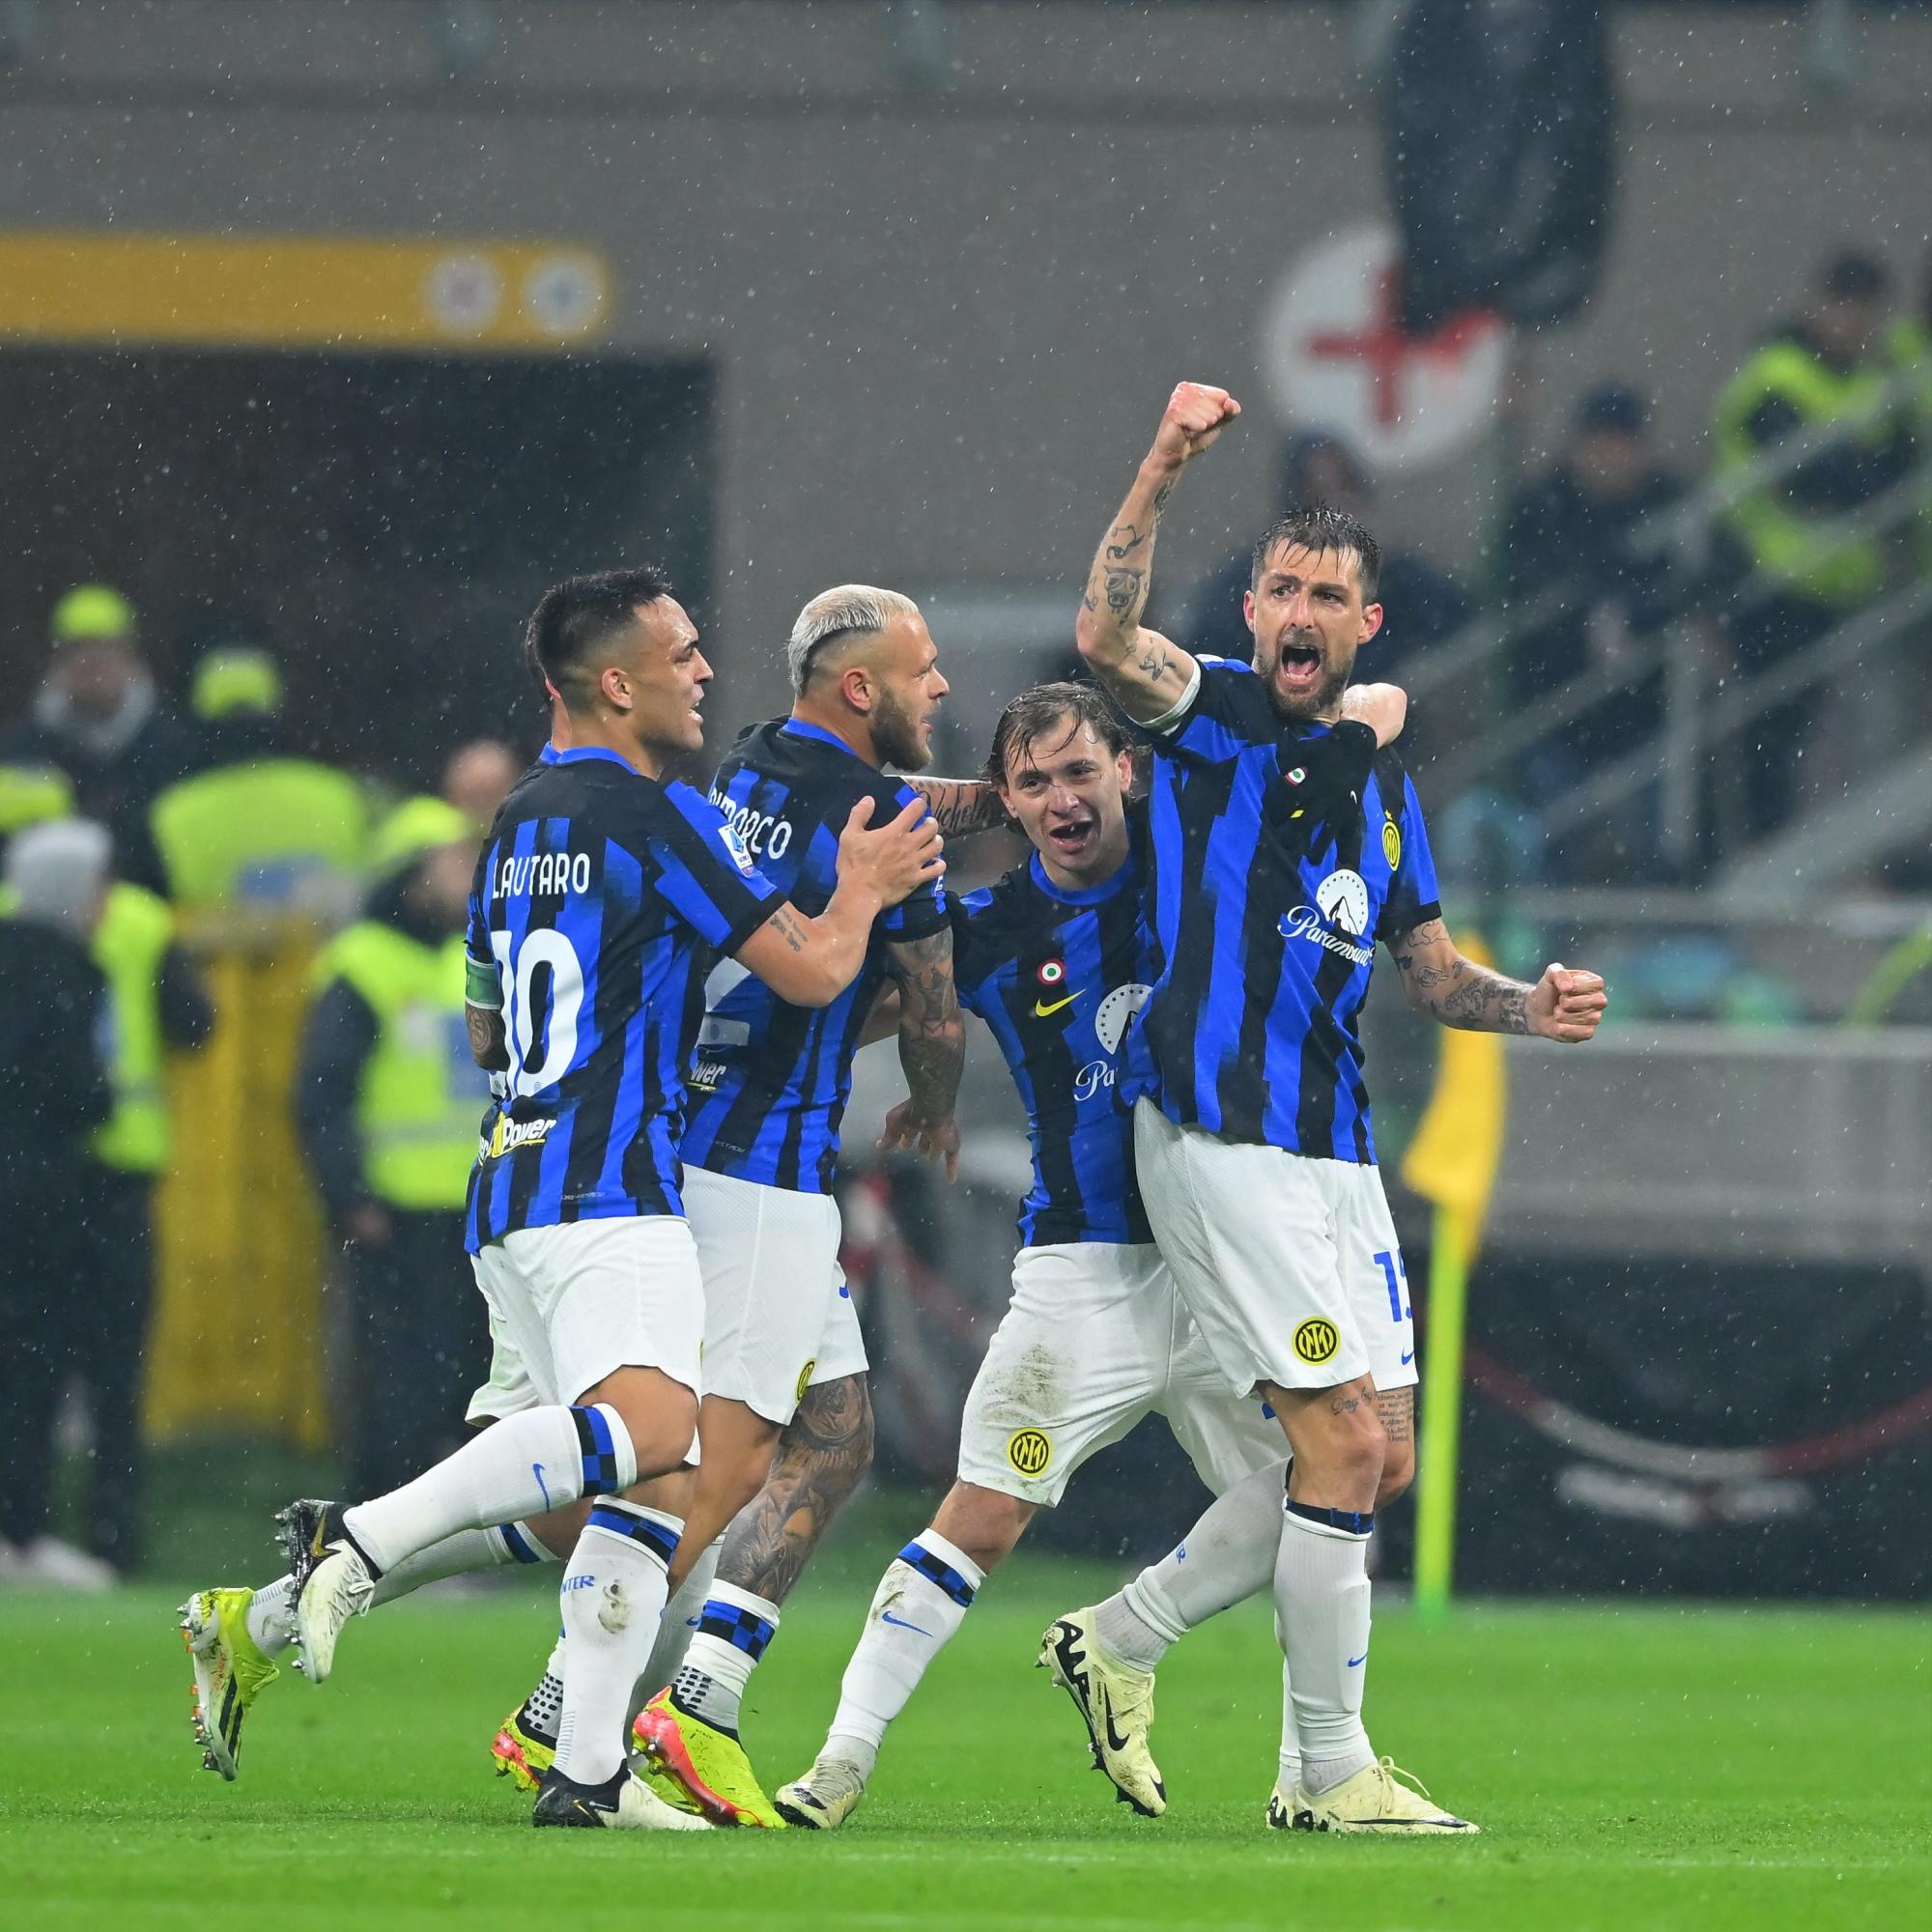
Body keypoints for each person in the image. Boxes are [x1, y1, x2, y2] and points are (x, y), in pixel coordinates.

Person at [176, 566, 943, 1829]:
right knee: (652, 1436)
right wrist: (857, 886)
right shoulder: (657, 816)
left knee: (636, 1482)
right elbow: (811, 974)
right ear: (617, 684)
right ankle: (352, 1544)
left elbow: (485, 1023)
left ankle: (582, 1770)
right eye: (681, 654)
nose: (704, 671)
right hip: (610, 1184)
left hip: (509, 1178)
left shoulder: (518, 823)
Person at [1070, 382, 1606, 1833]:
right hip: (1219, 1131)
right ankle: (1325, 1770)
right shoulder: (1208, 712)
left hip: (1333, 1147)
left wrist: (1532, 1005)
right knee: (1342, 1447)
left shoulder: (1384, 790)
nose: (1301, 613)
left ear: (1367, 624)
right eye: (1284, 589)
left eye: (1329, 596)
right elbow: (1104, 637)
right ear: (1252, 609)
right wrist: (1163, 459)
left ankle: (1120, 1635)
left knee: (1385, 1454)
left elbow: (1426, 974)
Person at [774, 681, 1308, 1830]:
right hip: (1084, 1270)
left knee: (1333, 1487)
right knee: (978, 1515)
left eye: (1078, 771)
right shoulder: (990, 930)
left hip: (1226, 1267)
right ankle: (838, 1760)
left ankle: (1156, 1661)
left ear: (1127, 770)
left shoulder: (1193, 879)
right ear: (1007, 802)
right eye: (1032, 782)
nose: (1061, 798)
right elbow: (850, 1010)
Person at [496, 583, 966, 1831]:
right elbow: (926, 1006)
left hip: (684, 1146)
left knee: (837, 1432)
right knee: (711, 1462)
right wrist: (934, 1103)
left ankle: (699, 1692)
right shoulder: (882, 828)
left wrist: (989, 802)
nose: (941, 688)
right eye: (922, 670)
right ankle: (559, 1707)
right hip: (764, 1173)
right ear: (860, 688)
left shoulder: (748, 770)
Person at [295, 802, 493, 1500]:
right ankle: (383, 1517)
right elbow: (321, 1095)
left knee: (472, 1377)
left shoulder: (476, 956)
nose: (468, 876)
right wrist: (349, 1194)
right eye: (451, 862)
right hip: (394, 1215)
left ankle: (460, 1523)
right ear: (412, 877)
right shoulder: (363, 964)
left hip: (478, 1210)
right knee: (396, 1380)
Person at [1712, 250, 1919, 838]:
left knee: (1851, 744)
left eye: (1867, 312)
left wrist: (1858, 475)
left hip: (1853, 593)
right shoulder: (1776, 373)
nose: (1854, 324)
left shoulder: (1878, 381)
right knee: (1773, 736)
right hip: (1771, 586)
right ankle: (1761, 846)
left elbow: (1898, 470)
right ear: (1817, 304)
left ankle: (1838, 855)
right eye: (1844, 308)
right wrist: (1859, 473)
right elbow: (1809, 475)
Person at [1501, 384, 1697, 879]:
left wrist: (1636, 606)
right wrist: (1615, 588)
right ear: (1576, 446)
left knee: (1664, 834)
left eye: (1624, 443)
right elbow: (1528, 588)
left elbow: (1697, 581)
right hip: (1557, 709)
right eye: (1600, 443)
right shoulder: (1540, 508)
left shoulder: (1668, 502)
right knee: (1551, 835)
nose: (1612, 457)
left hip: (1645, 708)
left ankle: (1662, 906)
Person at [0, 820, 115, 1584]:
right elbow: (75, 1090)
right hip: (37, 1197)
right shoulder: (63, 967)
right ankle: (23, 1528)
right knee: (33, 1363)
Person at [1169, 433, 1469, 677]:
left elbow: (1460, 629)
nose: (1336, 510)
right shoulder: (1254, 576)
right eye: (1319, 498)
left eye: (1345, 491)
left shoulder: (1390, 572)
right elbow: (1209, 650)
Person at [0, 586, 200, 895]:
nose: (89, 663)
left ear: (131, 658)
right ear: (56, 663)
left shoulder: (176, 747)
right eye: (75, 651)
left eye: (104, 650)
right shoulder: (21, 752)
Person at [148, 645, 368, 916]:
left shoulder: (173, 810)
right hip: (331, 942)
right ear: (276, 710)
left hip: (218, 944)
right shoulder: (337, 792)